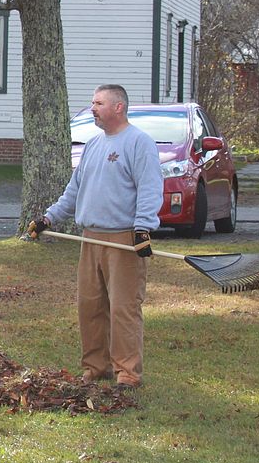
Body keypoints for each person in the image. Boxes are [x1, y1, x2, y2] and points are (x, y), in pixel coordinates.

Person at [27, 84, 162, 389]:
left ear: (118, 107)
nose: (93, 108)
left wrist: (142, 228)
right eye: (92, 103)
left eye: (99, 103)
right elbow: (74, 191)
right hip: (91, 238)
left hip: (123, 239)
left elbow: (151, 188)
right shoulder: (93, 145)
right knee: (90, 305)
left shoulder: (139, 142)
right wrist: (49, 217)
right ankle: (95, 367)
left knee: (124, 307)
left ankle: (127, 373)